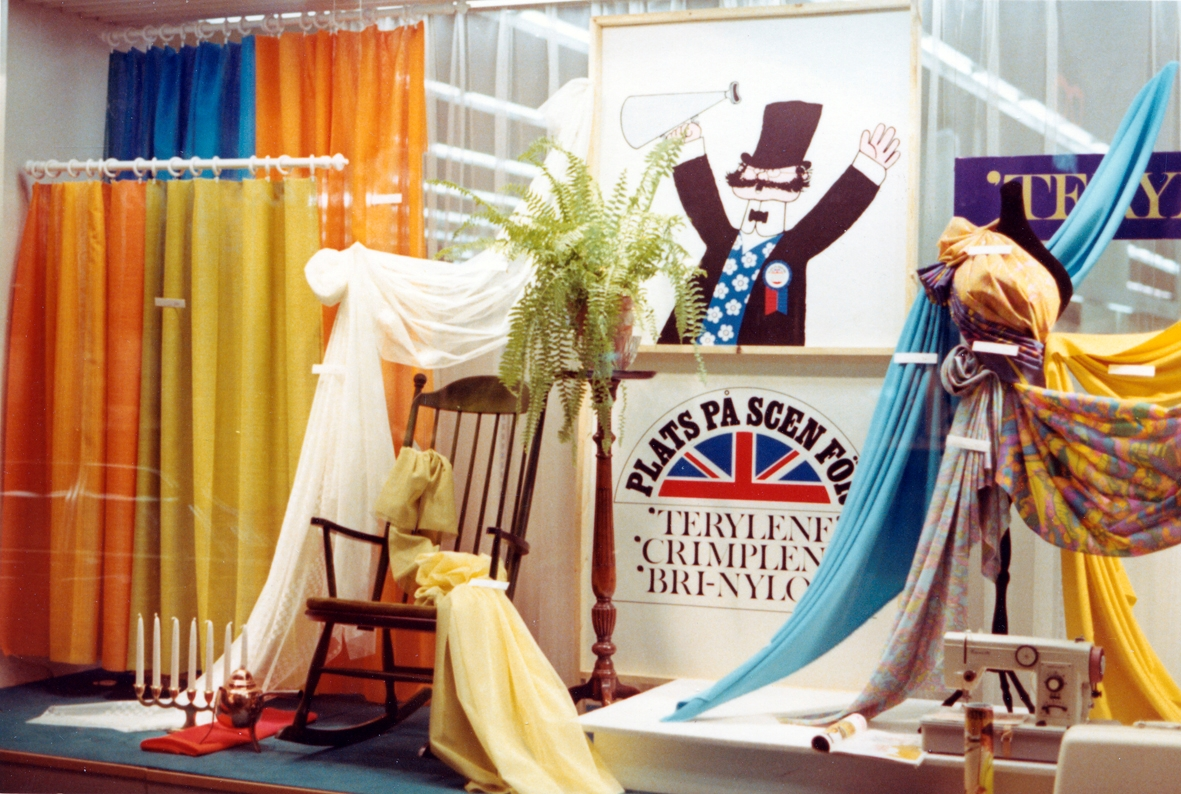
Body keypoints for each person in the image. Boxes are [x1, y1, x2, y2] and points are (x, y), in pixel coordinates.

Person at [658, 100, 900, 346]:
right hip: (689, 354)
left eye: (775, 170)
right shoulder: (720, 239)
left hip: (763, 359)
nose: (764, 176)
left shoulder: (793, 249)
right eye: (757, 169)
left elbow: (829, 217)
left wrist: (867, 168)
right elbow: (702, 204)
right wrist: (687, 145)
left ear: (800, 175)